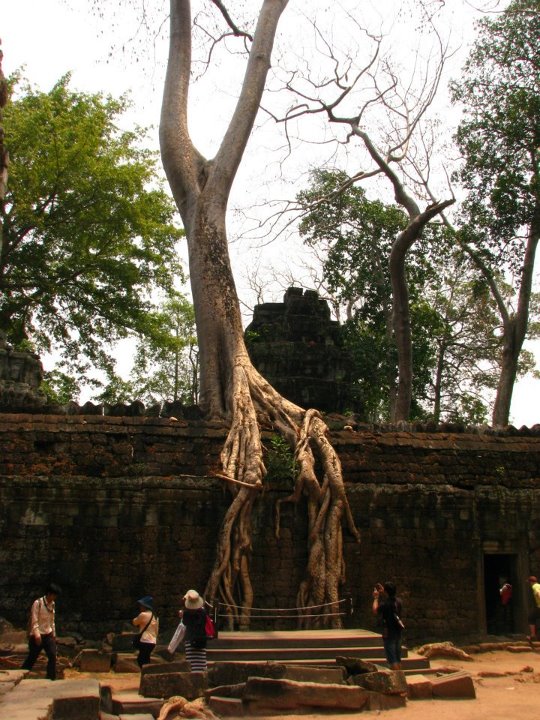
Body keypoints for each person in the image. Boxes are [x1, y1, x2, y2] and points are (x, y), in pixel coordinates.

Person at [22, 583, 62, 680]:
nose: (54, 598)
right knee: (32, 658)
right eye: (54, 595)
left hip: (48, 635)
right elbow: (34, 621)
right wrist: (37, 635)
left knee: (52, 655)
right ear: (49, 594)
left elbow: (52, 620)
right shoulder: (38, 603)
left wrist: (53, 633)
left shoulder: (52, 604)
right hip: (38, 635)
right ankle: (21, 675)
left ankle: (51, 678)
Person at [372, 580, 404, 670]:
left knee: (392, 660)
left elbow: (375, 610)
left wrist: (376, 597)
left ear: (386, 592)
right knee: (398, 659)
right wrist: (385, 592)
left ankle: (398, 681)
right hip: (398, 633)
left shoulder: (385, 604)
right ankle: (401, 678)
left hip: (389, 634)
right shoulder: (399, 602)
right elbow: (391, 599)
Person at [180, 589, 208, 672]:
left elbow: (185, 623)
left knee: (191, 663)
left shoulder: (187, 614)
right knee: (201, 662)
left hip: (190, 640)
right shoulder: (203, 612)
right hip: (201, 639)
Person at [132, 595, 159, 667]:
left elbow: (135, 622)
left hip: (145, 640)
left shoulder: (143, 615)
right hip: (153, 641)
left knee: (141, 660)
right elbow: (156, 630)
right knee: (146, 658)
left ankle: (145, 675)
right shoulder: (155, 617)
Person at [527, 576, 540, 642]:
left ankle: (533, 635)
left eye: (529, 582)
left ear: (531, 582)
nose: (529, 584)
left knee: (531, 618)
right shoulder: (539, 585)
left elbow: (538, 593)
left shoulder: (534, 586)